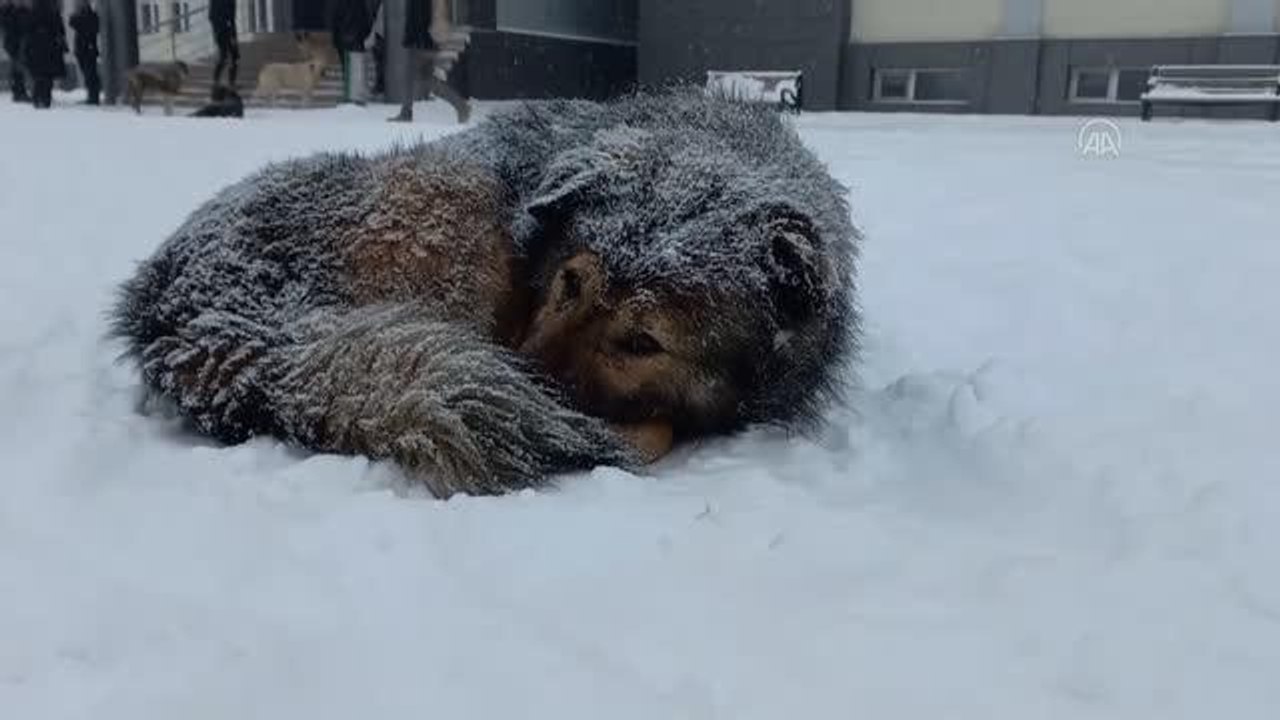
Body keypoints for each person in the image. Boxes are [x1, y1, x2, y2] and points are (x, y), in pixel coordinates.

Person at [389, 0, 469, 124]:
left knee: (417, 77)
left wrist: (415, 37)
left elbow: (419, 14)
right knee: (424, 78)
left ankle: (460, 105)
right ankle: (460, 105)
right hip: (425, 37)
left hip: (422, 38)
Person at [24, 0, 64, 109]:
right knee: (47, 76)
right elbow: (59, 29)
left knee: (38, 76)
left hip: (36, 47)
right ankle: (45, 98)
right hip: (49, 47)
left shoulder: (33, 12)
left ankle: (38, 98)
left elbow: (27, 29)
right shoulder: (52, 12)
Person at [330, 0, 372, 104]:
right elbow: (366, 20)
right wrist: (364, 36)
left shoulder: (338, 3)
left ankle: (349, 95)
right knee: (357, 68)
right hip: (356, 39)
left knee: (347, 69)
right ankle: (356, 96)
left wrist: (335, 39)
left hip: (343, 39)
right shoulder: (360, 3)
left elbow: (335, 19)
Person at [0, 0, 31, 102]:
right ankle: (19, 92)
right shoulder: (12, 12)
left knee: (17, 67)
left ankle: (18, 91)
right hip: (16, 43)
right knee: (18, 67)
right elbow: (19, 26)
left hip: (12, 42)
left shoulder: (8, 11)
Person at [68, 0, 97, 104]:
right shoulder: (83, 15)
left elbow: (74, 22)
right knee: (87, 73)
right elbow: (71, 22)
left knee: (90, 74)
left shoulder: (90, 16)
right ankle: (92, 95)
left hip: (88, 49)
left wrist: (77, 13)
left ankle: (93, 97)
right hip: (82, 48)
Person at [208, 0, 237, 87]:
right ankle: (216, 81)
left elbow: (232, 18)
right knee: (224, 57)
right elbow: (211, 16)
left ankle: (231, 83)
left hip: (229, 30)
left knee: (234, 57)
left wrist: (233, 35)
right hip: (221, 31)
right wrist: (218, 30)